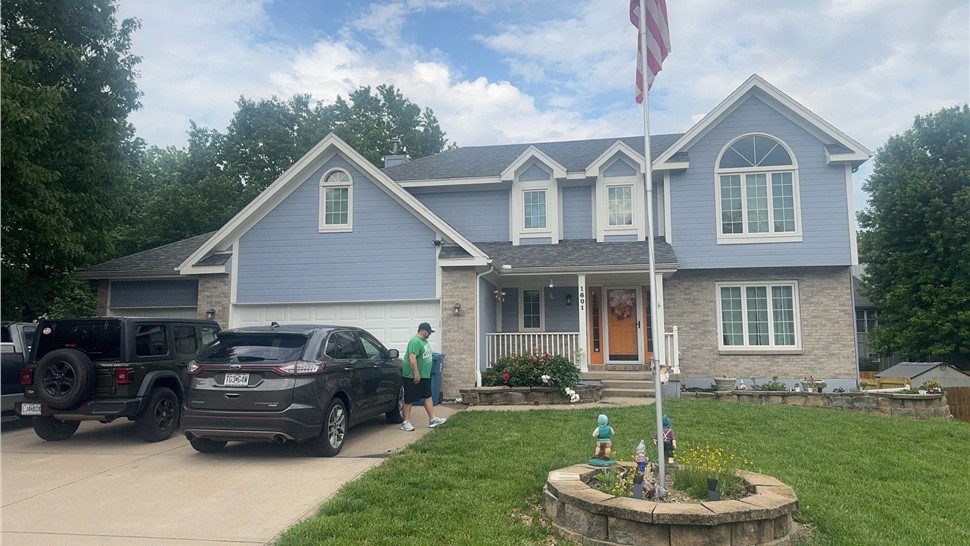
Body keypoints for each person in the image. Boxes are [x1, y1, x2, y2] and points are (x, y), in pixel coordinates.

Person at [400, 322, 447, 432]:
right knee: (409, 398)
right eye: (428, 332)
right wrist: (416, 374)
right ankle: (405, 422)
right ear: (422, 330)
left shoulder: (424, 341)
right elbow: (412, 358)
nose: (429, 334)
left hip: (424, 375)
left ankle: (432, 419)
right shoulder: (415, 341)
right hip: (412, 376)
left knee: (428, 396)